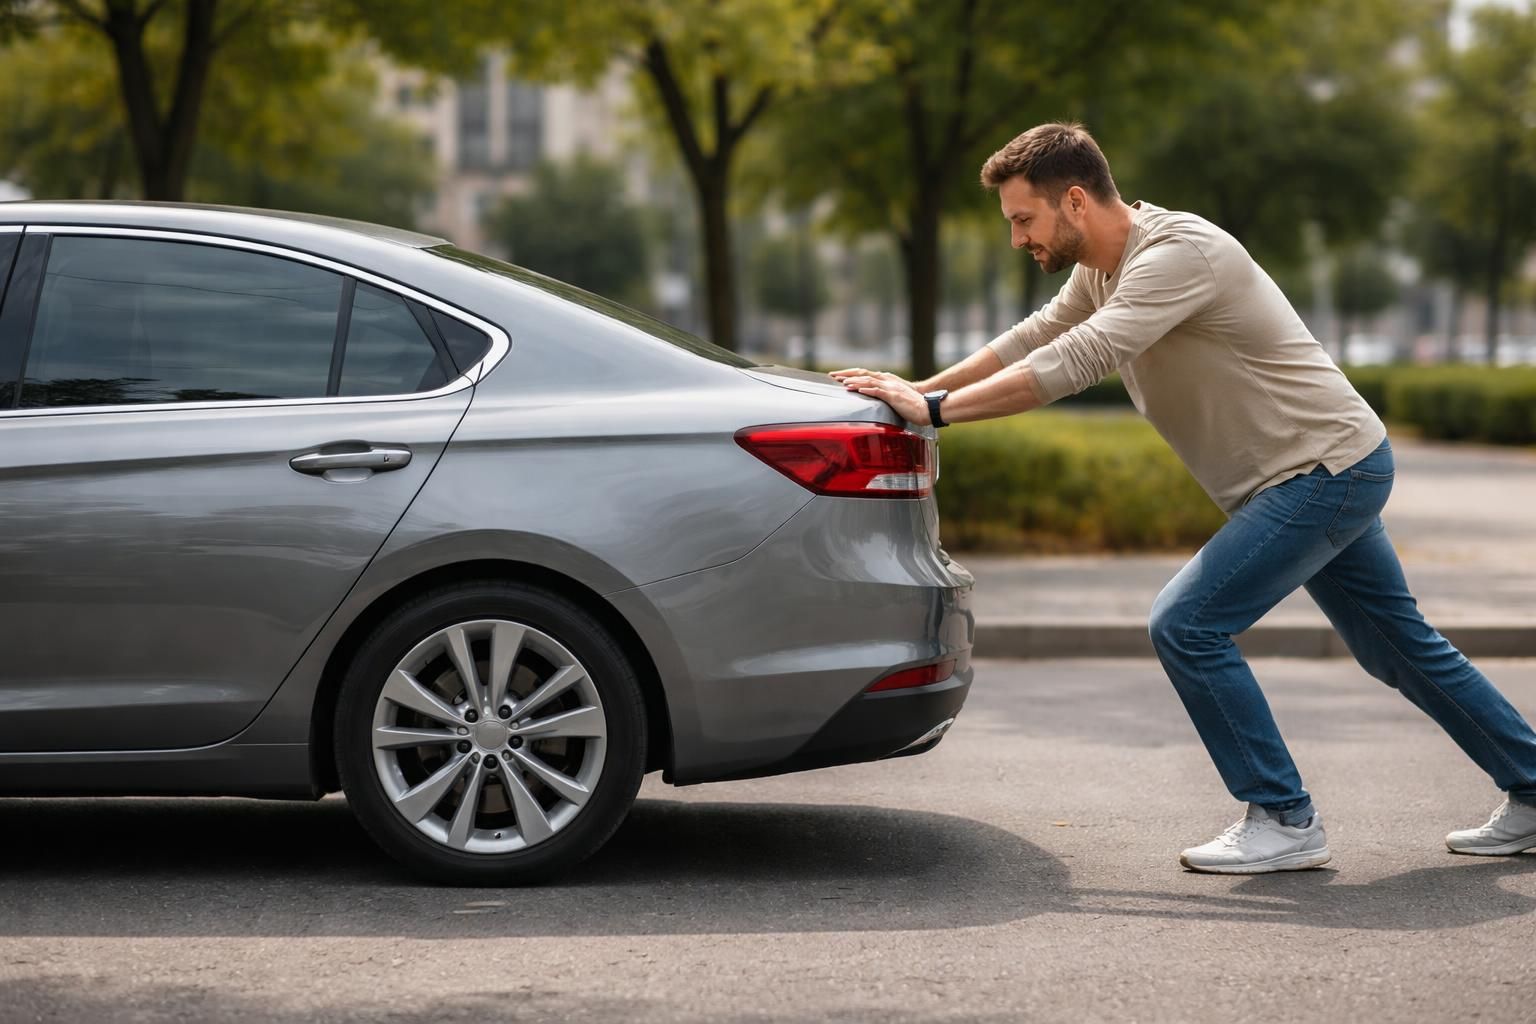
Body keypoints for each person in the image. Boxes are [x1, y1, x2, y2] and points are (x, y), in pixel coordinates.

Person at [832, 121, 1536, 874]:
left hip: (1323, 472)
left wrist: (936, 415)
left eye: (1023, 220)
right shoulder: (1103, 265)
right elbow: (1035, 334)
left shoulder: (1178, 254)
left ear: (1074, 201)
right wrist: (917, 388)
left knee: (1188, 624)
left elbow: (1081, 358)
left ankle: (1284, 817)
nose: (1016, 240)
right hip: (1322, 470)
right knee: (1397, 646)